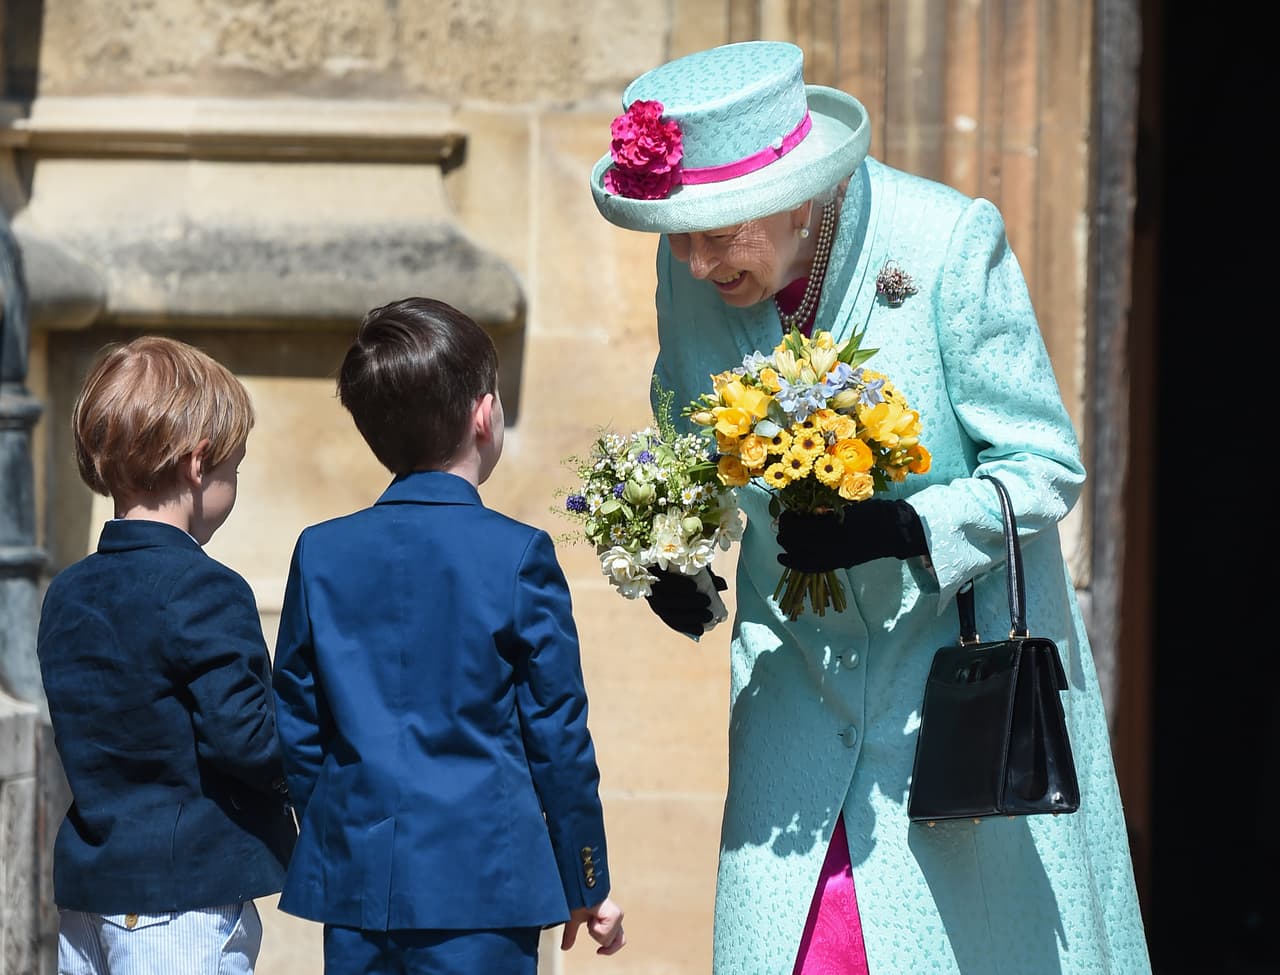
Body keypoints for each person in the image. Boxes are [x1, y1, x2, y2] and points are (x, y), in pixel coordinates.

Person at [589, 40, 1150, 975]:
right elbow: (687, 428)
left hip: (948, 699)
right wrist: (677, 554)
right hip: (793, 700)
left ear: (798, 194)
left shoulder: (944, 242)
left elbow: (1044, 465)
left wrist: (904, 526)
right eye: (677, 233)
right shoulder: (686, 270)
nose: (690, 262)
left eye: (716, 231)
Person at [270, 297, 626, 974]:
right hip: (485, 888)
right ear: (484, 416)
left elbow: (298, 722)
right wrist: (588, 880)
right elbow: (557, 735)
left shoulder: (321, 551)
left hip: (359, 888)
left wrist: (343, 836)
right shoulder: (519, 554)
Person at [36, 335, 297, 975]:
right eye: (233, 469)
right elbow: (248, 740)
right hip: (182, 901)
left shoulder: (67, 591)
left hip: (91, 894)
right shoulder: (205, 586)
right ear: (197, 464)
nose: (232, 484)